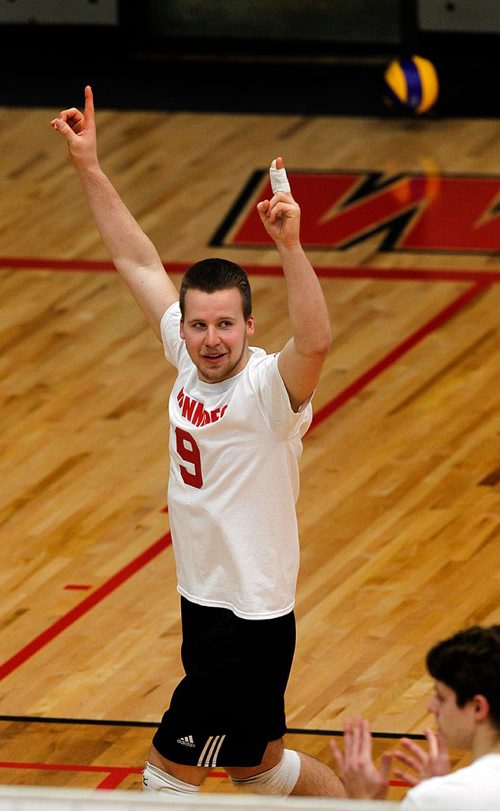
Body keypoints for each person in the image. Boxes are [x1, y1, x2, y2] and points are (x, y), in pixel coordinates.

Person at [50, 86, 344, 798]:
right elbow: (138, 261)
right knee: (260, 768)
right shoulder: (185, 356)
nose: (210, 339)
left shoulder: (269, 390)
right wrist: (89, 164)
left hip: (245, 619)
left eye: (225, 325)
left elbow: (318, 340)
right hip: (205, 600)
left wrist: (292, 247)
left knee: (166, 776)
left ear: (248, 325)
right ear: (186, 325)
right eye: (200, 324)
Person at [330, 625, 500, 809]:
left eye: (441, 698)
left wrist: (364, 803)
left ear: (478, 707)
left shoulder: (436, 799)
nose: (431, 707)